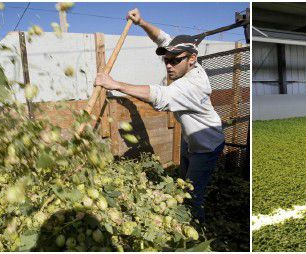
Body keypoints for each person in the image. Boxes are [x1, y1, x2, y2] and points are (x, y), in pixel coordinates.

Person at [94, 8, 224, 222]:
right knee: (184, 182)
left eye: (175, 60)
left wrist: (115, 84)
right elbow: (162, 38)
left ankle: (197, 232)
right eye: (166, 60)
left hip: (206, 146)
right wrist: (141, 22)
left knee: (192, 195)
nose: (169, 65)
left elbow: (159, 95)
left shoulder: (193, 85)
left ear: (192, 58)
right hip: (191, 139)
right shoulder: (187, 59)